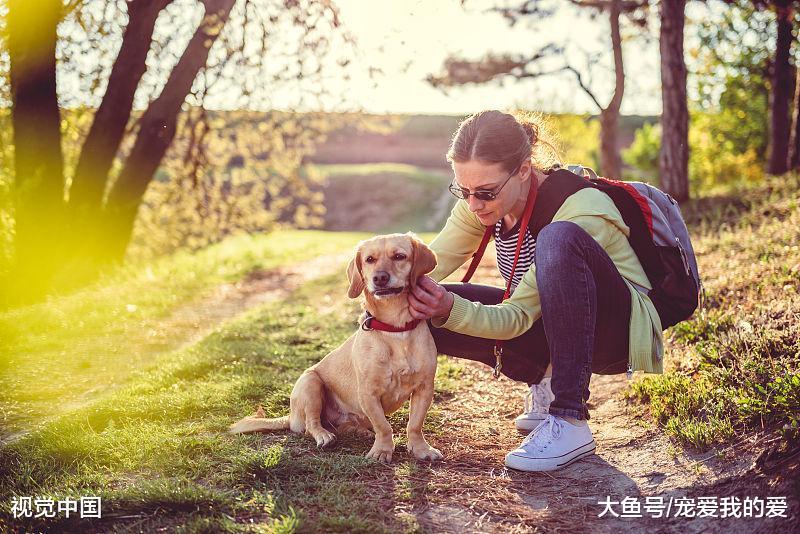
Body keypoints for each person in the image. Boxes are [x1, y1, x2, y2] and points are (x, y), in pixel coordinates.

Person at [408, 110, 663, 472]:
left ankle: (570, 418)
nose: (473, 203)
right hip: (547, 323)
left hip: (613, 335)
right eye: (463, 191)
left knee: (557, 239)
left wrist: (451, 307)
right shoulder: (480, 204)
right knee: (417, 304)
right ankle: (545, 377)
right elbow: (425, 267)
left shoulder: (580, 210)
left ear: (524, 170)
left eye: (485, 192)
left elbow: (515, 318)